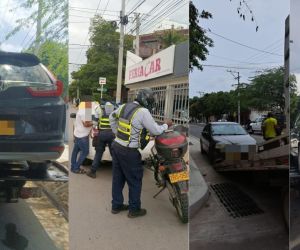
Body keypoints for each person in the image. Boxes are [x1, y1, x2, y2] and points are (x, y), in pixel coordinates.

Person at [109, 88, 172, 218]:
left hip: (116, 146)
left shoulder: (123, 106)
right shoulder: (143, 111)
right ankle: (134, 209)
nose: (151, 102)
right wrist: (166, 125)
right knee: (135, 181)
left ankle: (116, 205)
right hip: (129, 151)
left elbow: (111, 117)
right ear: (146, 100)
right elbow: (155, 130)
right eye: (150, 100)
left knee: (118, 179)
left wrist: (117, 133)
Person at [86, 101, 115, 178]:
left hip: (102, 134)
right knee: (114, 154)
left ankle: (93, 171)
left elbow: (95, 123)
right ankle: (118, 173)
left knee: (99, 153)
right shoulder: (115, 109)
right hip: (112, 134)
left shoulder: (99, 109)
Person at [70, 102, 93, 174]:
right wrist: (95, 123)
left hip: (77, 134)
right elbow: (86, 124)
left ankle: (73, 167)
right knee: (85, 152)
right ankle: (76, 168)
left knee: (75, 151)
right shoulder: (87, 112)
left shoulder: (80, 111)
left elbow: (75, 124)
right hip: (83, 136)